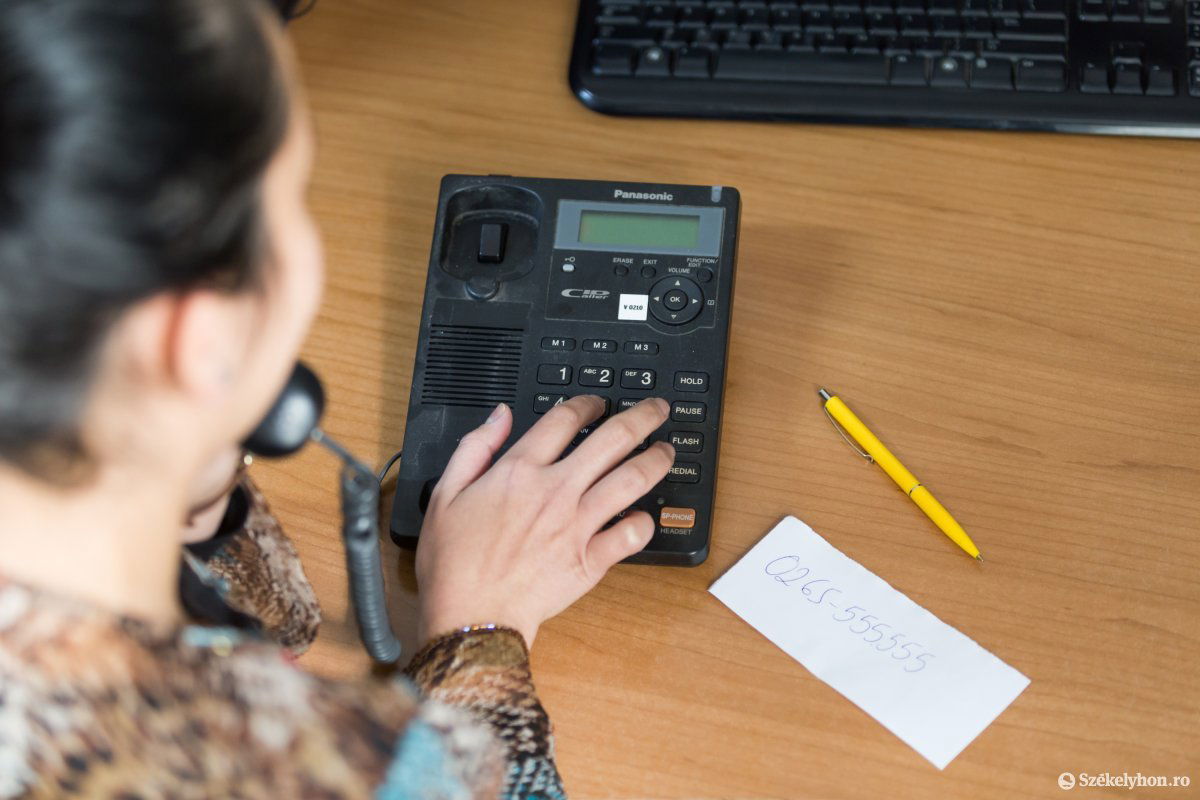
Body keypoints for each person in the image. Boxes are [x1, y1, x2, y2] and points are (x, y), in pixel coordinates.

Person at [0, 0, 676, 797]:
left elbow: (275, 634)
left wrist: (182, 471)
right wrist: (478, 629)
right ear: (202, 338)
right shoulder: (320, 769)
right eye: (294, 196)